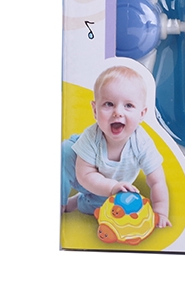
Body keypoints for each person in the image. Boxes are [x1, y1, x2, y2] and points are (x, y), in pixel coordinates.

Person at [61, 65, 171, 227]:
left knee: (104, 210)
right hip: (82, 172)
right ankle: (60, 201)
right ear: (95, 110)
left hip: (113, 186)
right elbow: (85, 175)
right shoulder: (91, 136)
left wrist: (160, 212)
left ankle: (78, 202)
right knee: (64, 153)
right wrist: (111, 186)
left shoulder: (142, 143)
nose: (118, 112)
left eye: (128, 106)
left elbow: (157, 181)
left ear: (142, 114)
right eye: (109, 104)